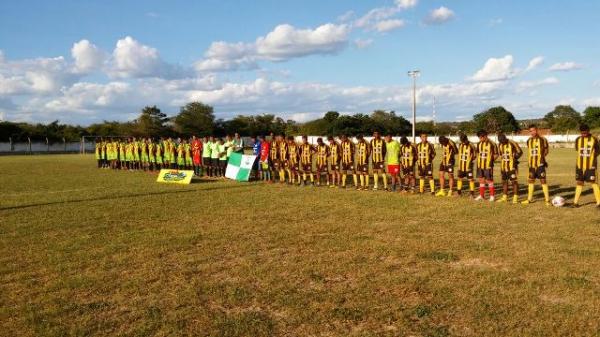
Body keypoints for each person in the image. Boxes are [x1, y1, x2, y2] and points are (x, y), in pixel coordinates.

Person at [522, 124, 551, 205]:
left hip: (540, 165)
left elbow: (546, 150)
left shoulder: (543, 139)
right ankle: (529, 199)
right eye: (530, 131)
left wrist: (542, 157)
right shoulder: (529, 141)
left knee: (543, 181)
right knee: (531, 181)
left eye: (533, 130)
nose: (532, 132)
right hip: (531, 165)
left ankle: (547, 200)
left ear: (537, 130)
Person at [573, 124, 600, 208]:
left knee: (594, 183)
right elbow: (578, 149)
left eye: (585, 133)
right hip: (580, 166)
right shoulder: (578, 139)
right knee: (579, 183)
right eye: (582, 133)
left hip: (591, 166)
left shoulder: (594, 139)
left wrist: (592, 158)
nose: (583, 134)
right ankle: (575, 203)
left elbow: (598, 151)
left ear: (588, 131)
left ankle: (599, 202)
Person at [497, 133, 523, 203]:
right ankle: (504, 197)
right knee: (504, 182)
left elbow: (520, 152)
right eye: (500, 141)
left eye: (503, 141)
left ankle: (515, 198)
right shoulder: (499, 145)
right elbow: (500, 154)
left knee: (514, 182)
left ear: (505, 138)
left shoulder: (512, 143)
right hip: (503, 167)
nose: (502, 142)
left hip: (512, 167)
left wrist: (515, 159)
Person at [474, 130, 498, 202]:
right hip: (480, 165)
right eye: (479, 138)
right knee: (481, 180)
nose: (480, 139)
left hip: (488, 165)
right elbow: (478, 153)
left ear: (485, 136)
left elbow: (496, 154)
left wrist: (490, 161)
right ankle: (481, 195)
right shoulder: (479, 144)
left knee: (489, 180)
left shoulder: (492, 144)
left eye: (481, 137)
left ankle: (492, 196)